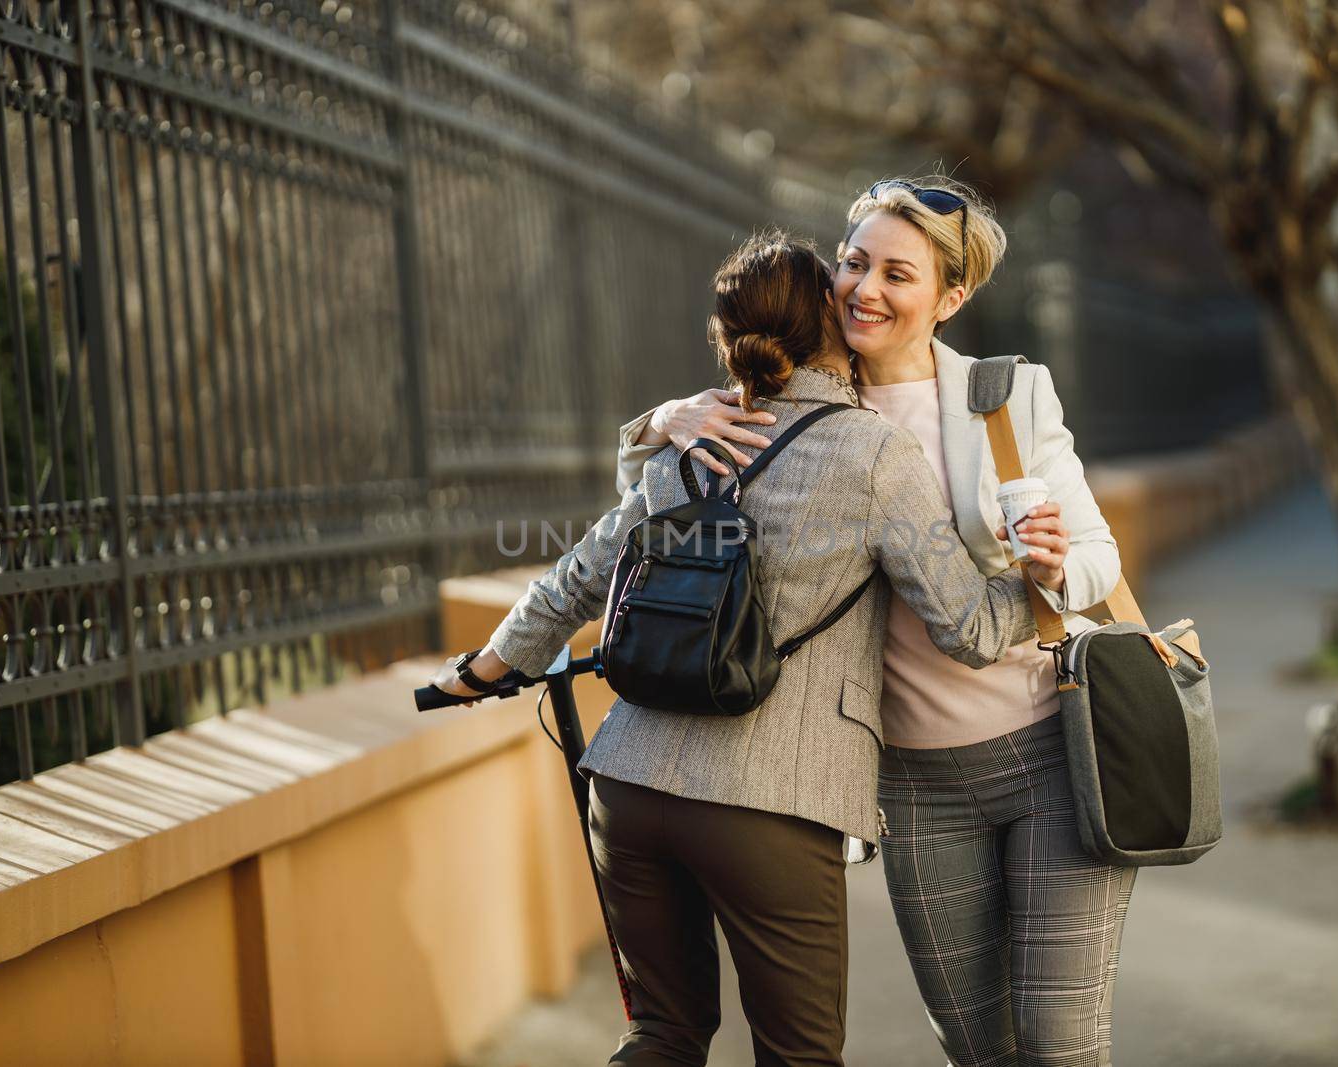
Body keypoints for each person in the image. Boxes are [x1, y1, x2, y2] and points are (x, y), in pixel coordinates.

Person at [433, 230, 1041, 1067]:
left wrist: (481, 671)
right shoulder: (872, 452)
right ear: (827, 318)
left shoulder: (690, 437)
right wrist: (1042, 586)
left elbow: (580, 576)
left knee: (662, 1035)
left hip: (630, 785)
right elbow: (967, 629)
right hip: (775, 807)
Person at [617, 178, 1134, 1067]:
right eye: (854, 262)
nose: (866, 288)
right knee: (978, 1048)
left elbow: (1100, 559)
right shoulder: (783, 399)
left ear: (951, 297)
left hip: (1048, 753)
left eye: (900, 273)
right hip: (915, 786)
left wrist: (1054, 564)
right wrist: (660, 420)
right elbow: (652, 504)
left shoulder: (1004, 398)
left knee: (1057, 1047)